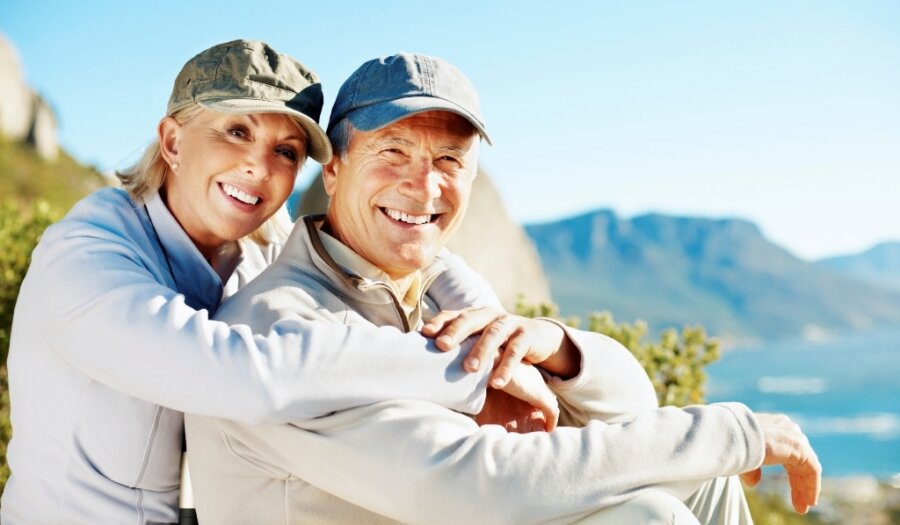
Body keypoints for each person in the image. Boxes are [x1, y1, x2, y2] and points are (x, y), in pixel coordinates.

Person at [185, 53, 822, 525]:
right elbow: (477, 488)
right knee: (649, 516)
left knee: (706, 480)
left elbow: (633, 408)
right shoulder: (279, 326)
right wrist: (732, 432)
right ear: (336, 166)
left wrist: (556, 348)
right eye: (393, 152)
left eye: (449, 160)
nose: (424, 187)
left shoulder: (435, 290)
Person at [0, 41, 552, 525]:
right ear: (172, 141)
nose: (259, 168)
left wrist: (496, 334)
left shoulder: (258, 243)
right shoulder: (84, 257)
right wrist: (467, 373)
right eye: (236, 131)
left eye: (285, 151)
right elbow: (245, 376)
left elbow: (418, 252)